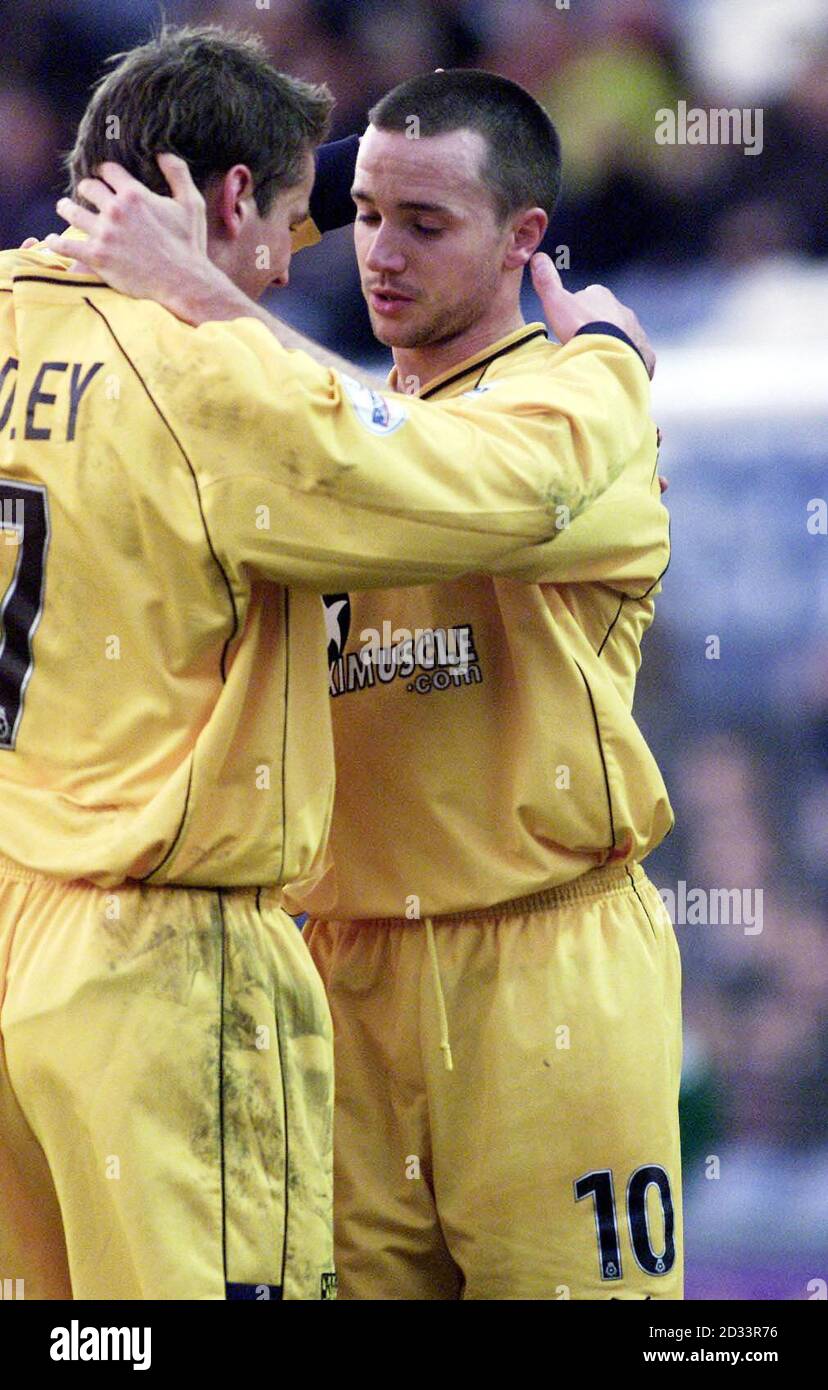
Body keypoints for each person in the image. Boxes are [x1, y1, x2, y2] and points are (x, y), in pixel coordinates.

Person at [0, 32, 654, 1302]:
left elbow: (371, 438)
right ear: (227, 204)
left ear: (522, 238)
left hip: (524, 965)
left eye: (417, 219)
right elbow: (424, 468)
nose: (347, 254)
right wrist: (618, 362)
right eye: (331, 217)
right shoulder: (217, 387)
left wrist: (216, 307)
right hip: (188, 947)